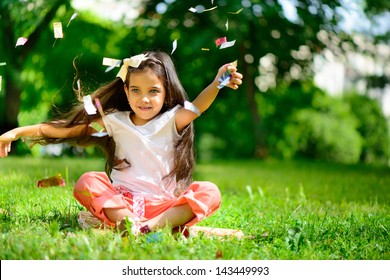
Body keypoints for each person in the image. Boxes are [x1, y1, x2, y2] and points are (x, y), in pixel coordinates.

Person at [0, 51, 243, 235]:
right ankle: (131, 224)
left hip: (163, 208)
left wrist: (217, 82)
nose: (144, 98)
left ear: (167, 92)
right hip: (123, 204)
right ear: (125, 91)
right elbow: (65, 130)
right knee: (88, 180)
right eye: (135, 90)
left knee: (209, 190)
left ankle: (146, 228)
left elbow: (199, 104)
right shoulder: (114, 122)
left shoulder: (174, 120)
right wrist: (17, 132)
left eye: (153, 91)